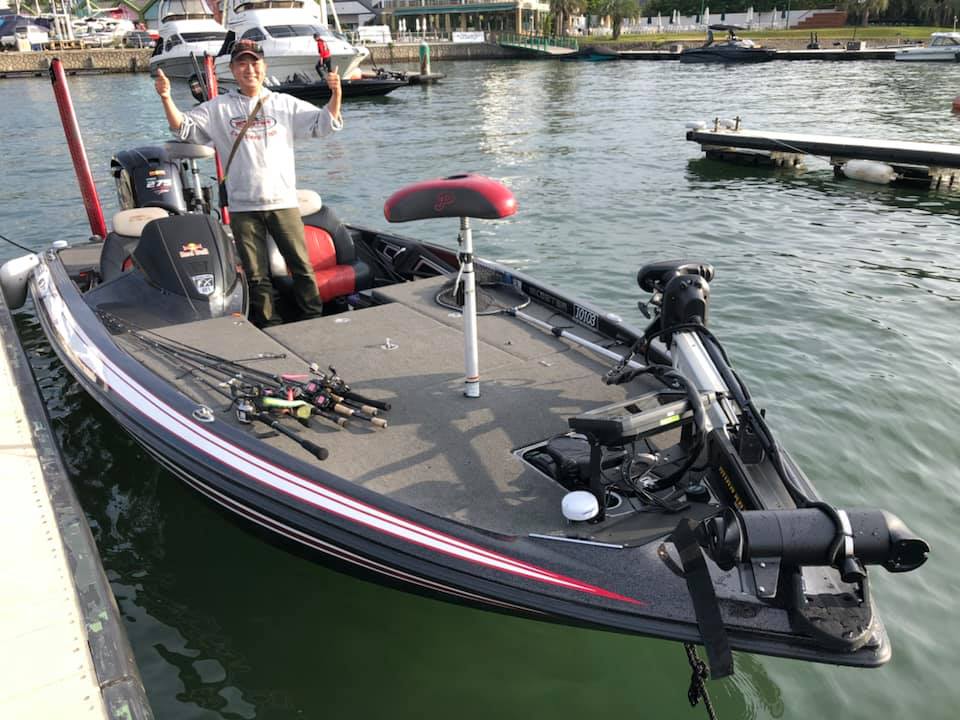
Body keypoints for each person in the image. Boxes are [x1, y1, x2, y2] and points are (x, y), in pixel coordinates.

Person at [154, 39, 343, 327]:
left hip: (283, 201)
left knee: (302, 267)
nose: (249, 69)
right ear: (232, 69)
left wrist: (336, 94)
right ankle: (269, 323)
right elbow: (184, 129)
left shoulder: (284, 103)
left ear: (264, 67)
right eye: (242, 63)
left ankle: (313, 318)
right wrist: (166, 98)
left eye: (254, 63)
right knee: (255, 274)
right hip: (243, 206)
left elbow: (323, 124)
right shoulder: (218, 108)